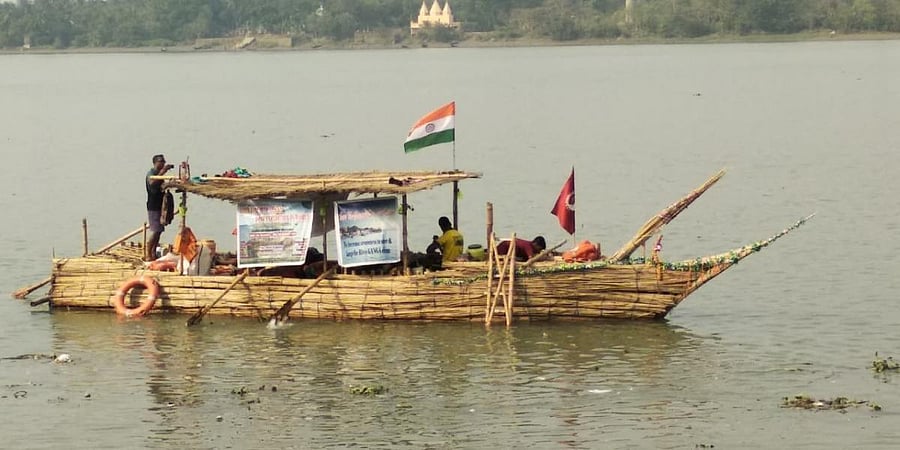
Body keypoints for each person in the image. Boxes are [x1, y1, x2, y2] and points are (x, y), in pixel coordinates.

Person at [146, 154, 175, 261]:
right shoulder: (152, 174)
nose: (162, 164)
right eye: (160, 162)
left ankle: (153, 252)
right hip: (153, 206)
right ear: (155, 163)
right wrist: (164, 170)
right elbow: (153, 183)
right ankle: (148, 253)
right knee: (155, 230)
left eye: (163, 162)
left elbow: (161, 185)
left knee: (159, 230)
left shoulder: (159, 175)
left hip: (160, 205)